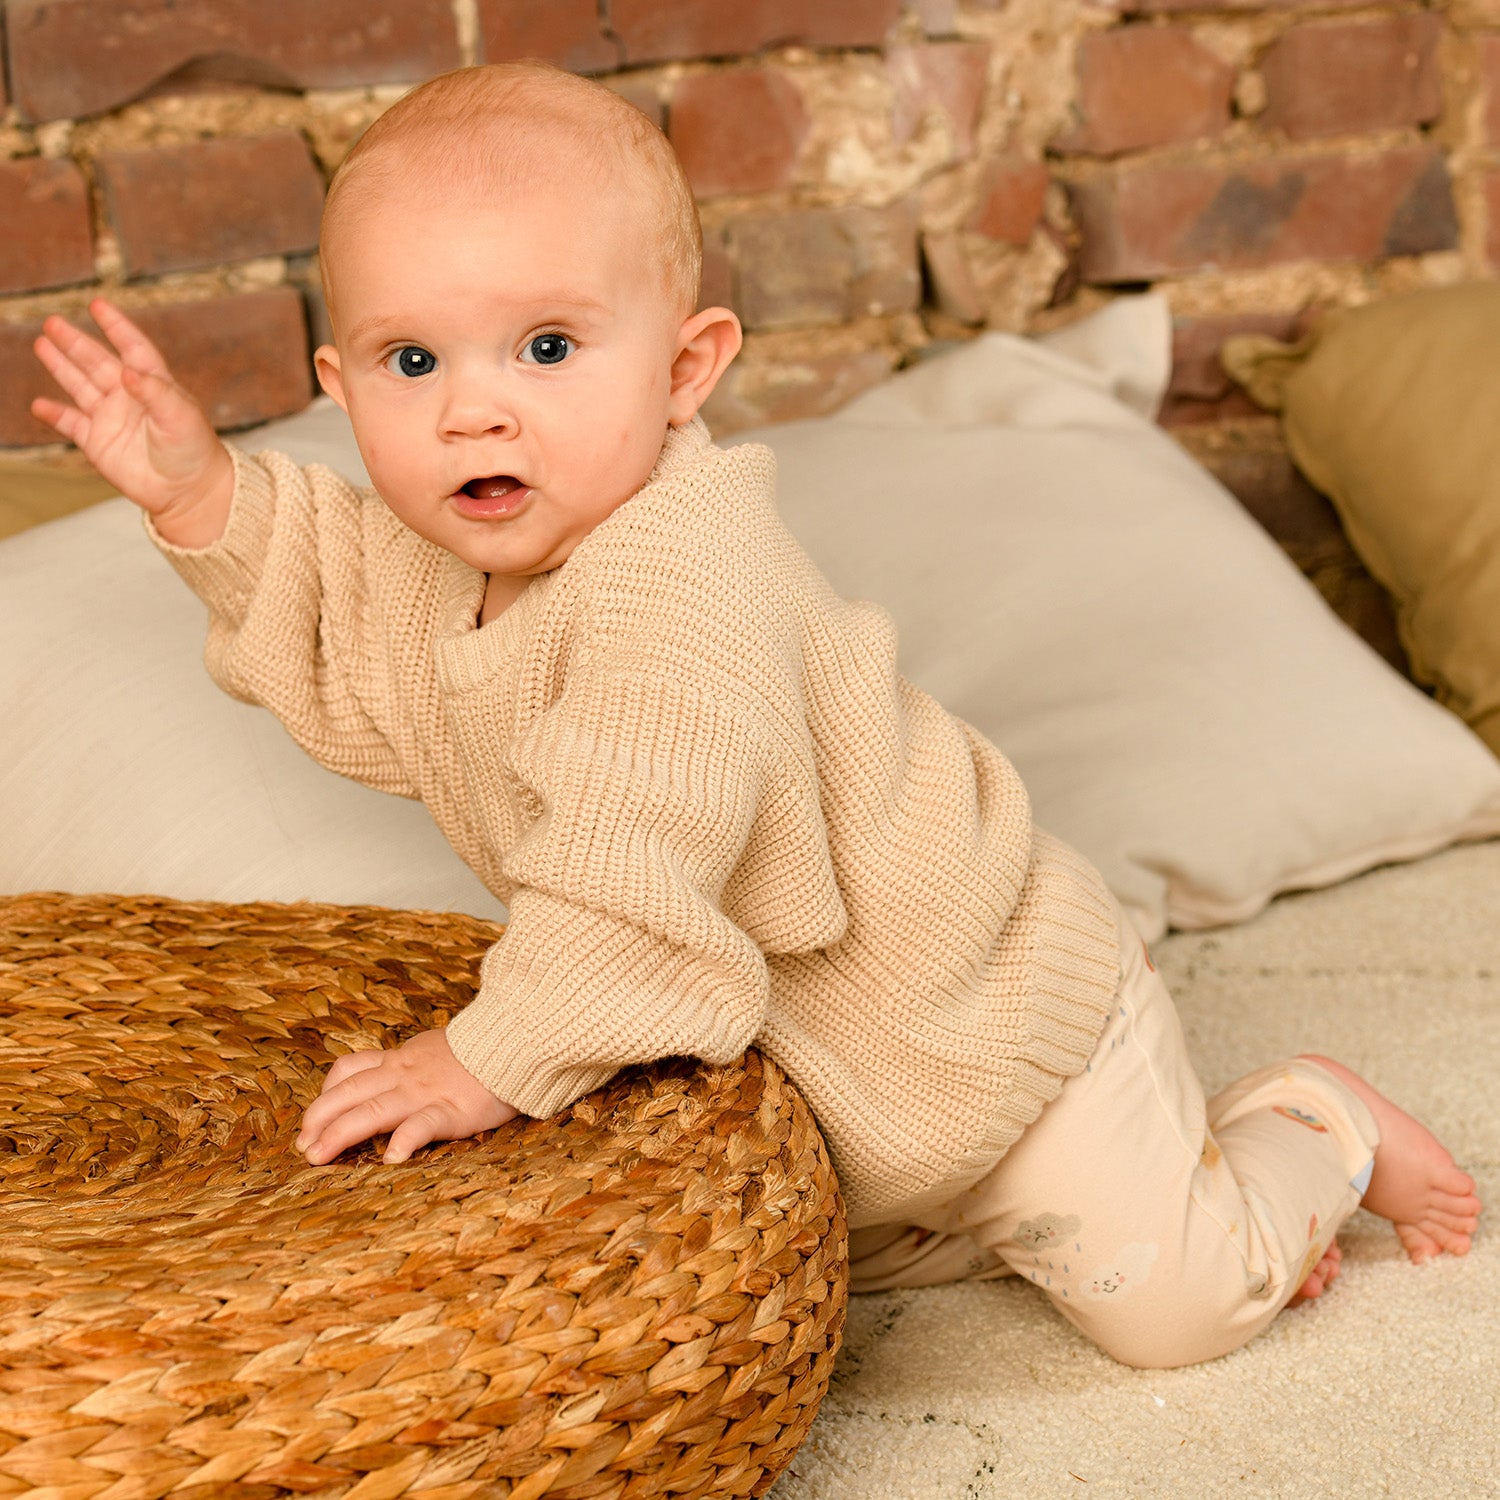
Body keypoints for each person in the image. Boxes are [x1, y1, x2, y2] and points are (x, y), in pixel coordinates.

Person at [30, 62, 1480, 1370]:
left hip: (995, 1036)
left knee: (1173, 1305)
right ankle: (1080, 1201)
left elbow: (627, 856)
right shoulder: (457, 556)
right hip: (851, 1088)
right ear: (340, 387)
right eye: (416, 364)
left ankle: (1309, 1131)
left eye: (545, 350)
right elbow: (338, 592)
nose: (476, 413)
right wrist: (198, 491)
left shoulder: (684, 582)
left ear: (684, 369)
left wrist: (486, 1059)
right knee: (804, 1267)